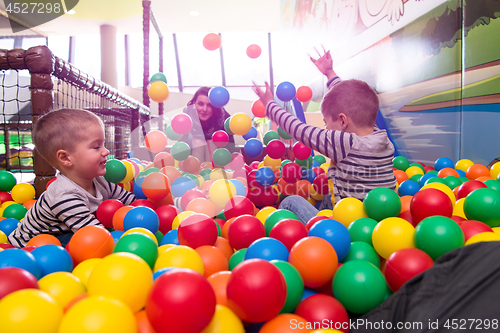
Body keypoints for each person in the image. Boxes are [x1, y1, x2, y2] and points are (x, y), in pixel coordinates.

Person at [252, 49, 397, 224]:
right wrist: (329, 73)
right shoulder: (381, 137)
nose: (325, 128)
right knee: (327, 192)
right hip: (381, 217)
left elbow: (298, 129)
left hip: (348, 225)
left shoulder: (344, 142)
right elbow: (352, 102)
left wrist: (269, 105)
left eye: (326, 122)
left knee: (290, 202)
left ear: (342, 121)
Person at [8, 109, 136, 247]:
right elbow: (96, 236)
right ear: (65, 158)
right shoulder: (64, 196)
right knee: (83, 242)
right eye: (96, 147)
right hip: (31, 245)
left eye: (103, 144)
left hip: (69, 231)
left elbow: (131, 201)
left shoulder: (99, 181)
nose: (106, 151)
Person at [178, 87, 236, 163]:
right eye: (200, 104)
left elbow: (230, 150)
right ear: (194, 103)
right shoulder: (186, 118)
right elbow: (182, 148)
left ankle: (211, 171)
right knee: (198, 141)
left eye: (209, 105)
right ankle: (197, 172)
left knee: (211, 141)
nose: (204, 109)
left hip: (218, 161)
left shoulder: (224, 119)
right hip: (191, 162)